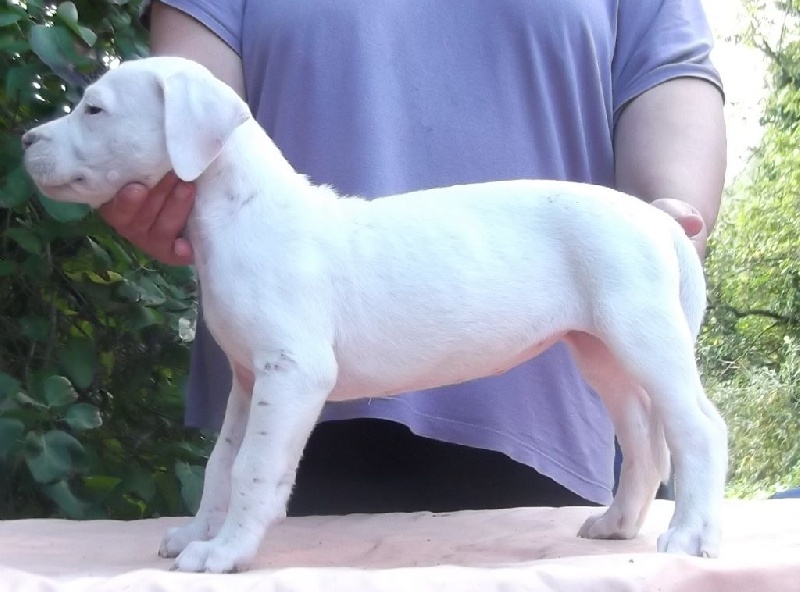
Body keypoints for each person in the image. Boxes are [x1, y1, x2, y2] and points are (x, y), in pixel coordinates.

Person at [102, 1, 726, 515]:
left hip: (548, 410)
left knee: (653, 393)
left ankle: (681, 509)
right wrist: (157, 179)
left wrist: (663, 221)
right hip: (296, 406)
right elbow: (182, 99)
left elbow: (670, 72)